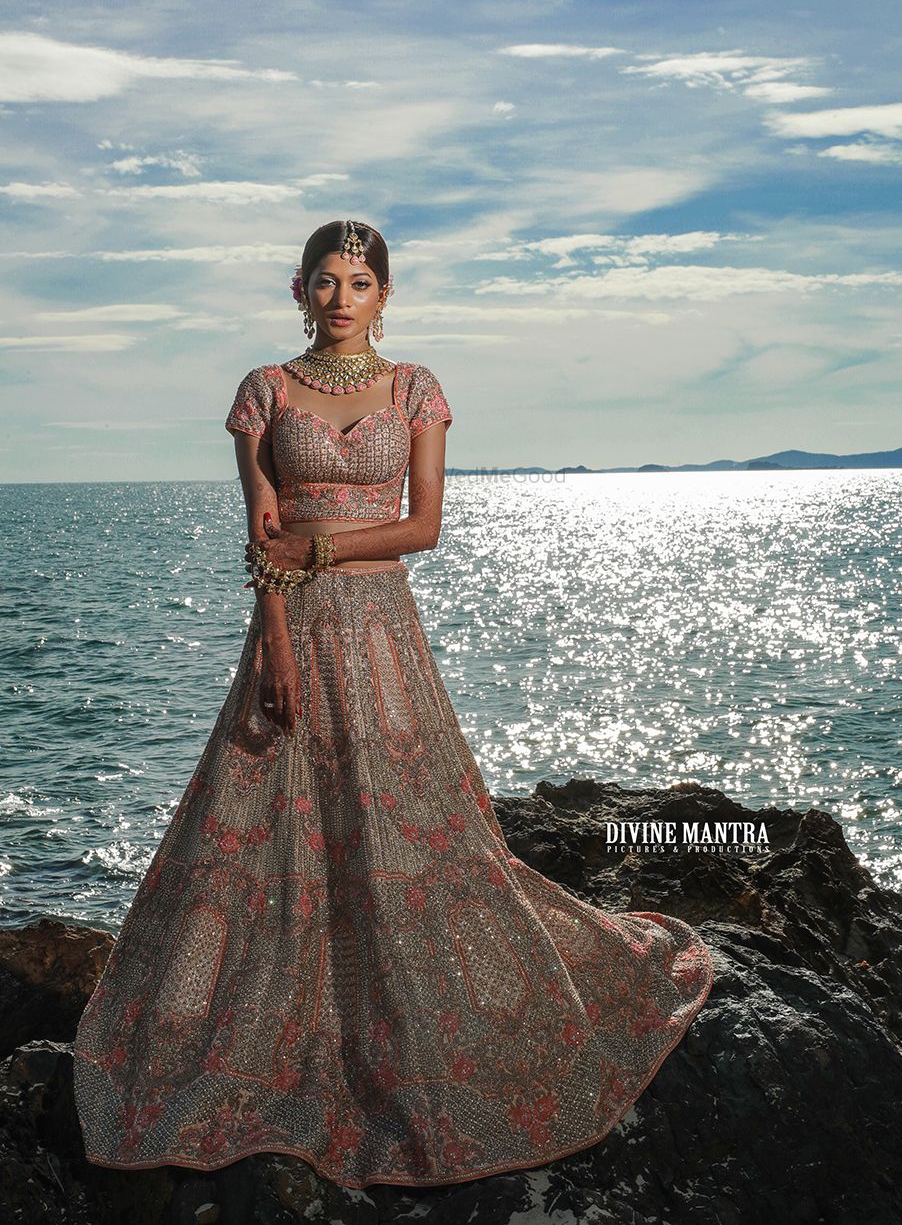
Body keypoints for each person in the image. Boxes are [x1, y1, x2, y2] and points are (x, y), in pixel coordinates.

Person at [73, 218, 714, 1189]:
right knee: (271, 831)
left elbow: (423, 526)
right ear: (298, 290)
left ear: (383, 295)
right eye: (324, 281)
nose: (340, 297)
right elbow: (263, 533)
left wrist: (323, 552)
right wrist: (277, 644)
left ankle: (405, 1036)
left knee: (402, 820)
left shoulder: (417, 387)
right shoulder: (263, 392)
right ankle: (269, 1039)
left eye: (359, 282)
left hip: (381, 631)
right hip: (292, 631)